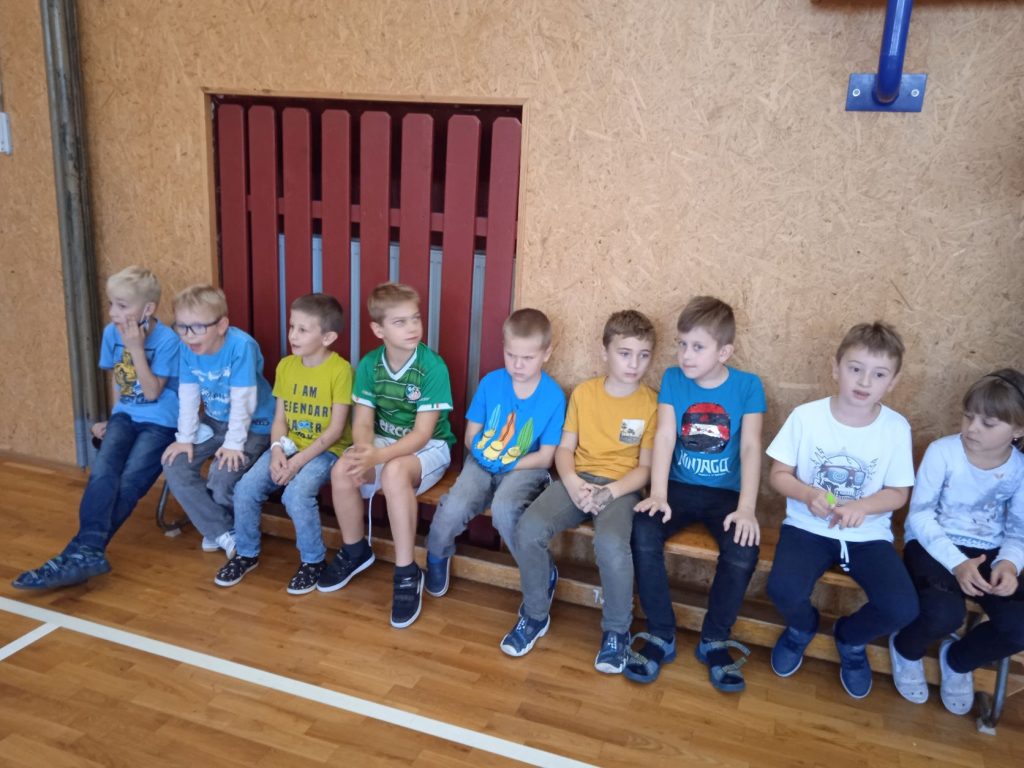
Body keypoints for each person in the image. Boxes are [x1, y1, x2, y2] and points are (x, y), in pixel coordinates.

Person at [766, 322, 918, 699]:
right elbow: (778, 475)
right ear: (836, 369)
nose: (864, 381)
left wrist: (864, 506)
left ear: (893, 381)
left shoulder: (895, 428)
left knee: (902, 608)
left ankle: (849, 639)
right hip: (807, 528)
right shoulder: (806, 416)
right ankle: (802, 628)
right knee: (782, 589)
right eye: (855, 368)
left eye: (878, 374)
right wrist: (807, 493)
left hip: (867, 536)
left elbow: (899, 493)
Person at [503, 310, 657, 674]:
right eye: (624, 353)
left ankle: (617, 631)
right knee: (528, 528)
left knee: (611, 545)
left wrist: (611, 492)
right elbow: (564, 449)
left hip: (621, 489)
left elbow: (645, 469)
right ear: (605, 352)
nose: (634, 364)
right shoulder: (585, 394)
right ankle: (535, 614)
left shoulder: (652, 403)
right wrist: (572, 483)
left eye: (643, 355)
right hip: (578, 479)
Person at [627, 297, 765, 690]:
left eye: (698, 347)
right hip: (678, 488)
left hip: (726, 496)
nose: (686, 355)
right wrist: (658, 493)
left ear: (724, 352)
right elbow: (665, 436)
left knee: (743, 548)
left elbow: (751, 447)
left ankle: (714, 639)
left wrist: (747, 509)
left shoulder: (748, 386)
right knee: (643, 530)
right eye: (682, 344)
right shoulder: (673, 379)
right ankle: (661, 633)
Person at [13, 266, 180, 589]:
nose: (113, 312)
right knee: (102, 472)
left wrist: (136, 348)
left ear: (148, 309)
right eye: (111, 304)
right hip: (126, 416)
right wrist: (114, 416)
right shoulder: (110, 333)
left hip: (160, 422)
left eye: (122, 305)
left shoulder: (167, 341)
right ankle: (88, 551)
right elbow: (119, 379)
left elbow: (151, 392)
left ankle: (79, 552)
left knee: (130, 481)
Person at [319, 282, 455, 629]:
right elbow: (363, 422)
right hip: (384, 442)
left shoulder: (432, 367)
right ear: (378, 330)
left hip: (429, 447)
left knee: (394, 473)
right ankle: (355, 550)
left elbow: (422, 434)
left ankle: (407, 571)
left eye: (416, 318)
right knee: (342, 469)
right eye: (400, 322)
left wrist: (377, 458)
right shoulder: (369, 364)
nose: (412, 327)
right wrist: (363, 452)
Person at [890, 369, 1024, 714]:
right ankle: (906, 649)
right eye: (968, 416)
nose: (972, 428)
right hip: (932, 545)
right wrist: (957, 563)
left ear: (1018, 430)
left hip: (991, 551)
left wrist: (1009, 565)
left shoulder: (1020, 469)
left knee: (1019, 626)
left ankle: (958, 661)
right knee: (944, 615)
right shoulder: (942, 452)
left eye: (988, 423)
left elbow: (1018, 530)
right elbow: (919, 516)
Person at [213, 293, 353, 594]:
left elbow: (335, 431)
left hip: (327, 451)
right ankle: (246, 553)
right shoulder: (286, 366)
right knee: (246, 488)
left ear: (327, 337)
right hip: (289, 446)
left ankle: (313, 561)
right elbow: (280, 419)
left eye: (303, 330)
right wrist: (277, 449)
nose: (293, 335)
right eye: (292, 327)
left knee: (296, 494)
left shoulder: (341, 371)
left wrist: (297, 463)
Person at [424, 308, 564, 598]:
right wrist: (486, 455)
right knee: (455, 505)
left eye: (528, 358)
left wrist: (508, 464)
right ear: (503, 348)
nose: (518, 365)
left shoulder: (553, 396)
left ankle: (539, 570)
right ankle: (437, 555)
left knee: (505, 508)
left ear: (546, 353)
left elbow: (546, 457)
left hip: (526, 466)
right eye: (511, 355)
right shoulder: (491, 382)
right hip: (482, 461)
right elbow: (470, 435)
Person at [160, 285, 275, 558]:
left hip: (253, 425)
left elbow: (244, 400)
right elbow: (189, 394)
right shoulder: (187, 348)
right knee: (174, 464)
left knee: (222, 476)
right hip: (214, 421)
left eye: (198, 327)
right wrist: (184, 438)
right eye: (182, 327)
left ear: (222, 325)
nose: (189, 335)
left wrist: (234, 444)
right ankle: (222, 530)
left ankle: (224, 528)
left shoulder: (241, 346)